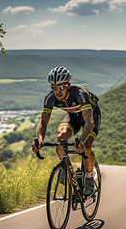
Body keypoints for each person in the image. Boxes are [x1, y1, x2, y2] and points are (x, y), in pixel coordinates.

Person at [32, 66, 101, 196]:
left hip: (91, 116)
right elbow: (43, 123)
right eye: (54, 88)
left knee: (86, 147)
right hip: (73, 116)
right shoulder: (50, 98)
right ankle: (64, 167)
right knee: (61, 137)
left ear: (68, 85)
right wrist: (40, 139)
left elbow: (89, 122)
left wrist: (82, 140)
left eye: (61, 87)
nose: (57, 91)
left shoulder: (80, 93)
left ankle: (90, 177)